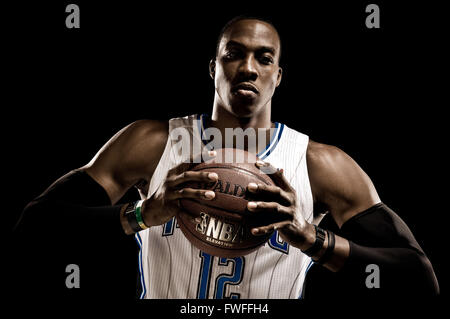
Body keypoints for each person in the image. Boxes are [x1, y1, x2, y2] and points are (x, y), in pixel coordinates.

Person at [14, 16, 439, 300]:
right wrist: (143, 214)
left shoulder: (319, 164)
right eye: (233, 54)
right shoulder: (152, 142)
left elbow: (418, 279)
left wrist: (311, 238)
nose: (248, 68)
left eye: (263, 57)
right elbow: (35, 229)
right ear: (213, 68)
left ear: (278, 76)